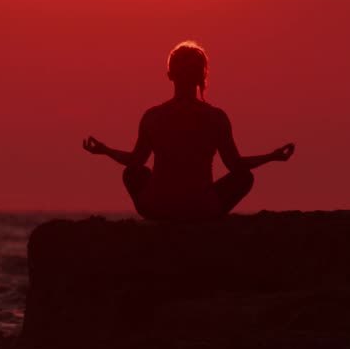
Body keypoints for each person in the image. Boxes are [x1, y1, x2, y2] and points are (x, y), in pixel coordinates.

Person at [83, 41, 294, 221]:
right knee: (244, 178)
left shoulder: (153, 116)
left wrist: (105, 150)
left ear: (169, 75)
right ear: (202, 76)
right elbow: (236, 165)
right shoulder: (216, 117)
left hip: (158, 207)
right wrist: (272, 156)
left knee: (133, 173)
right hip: (201, 210)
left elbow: (135, 161)